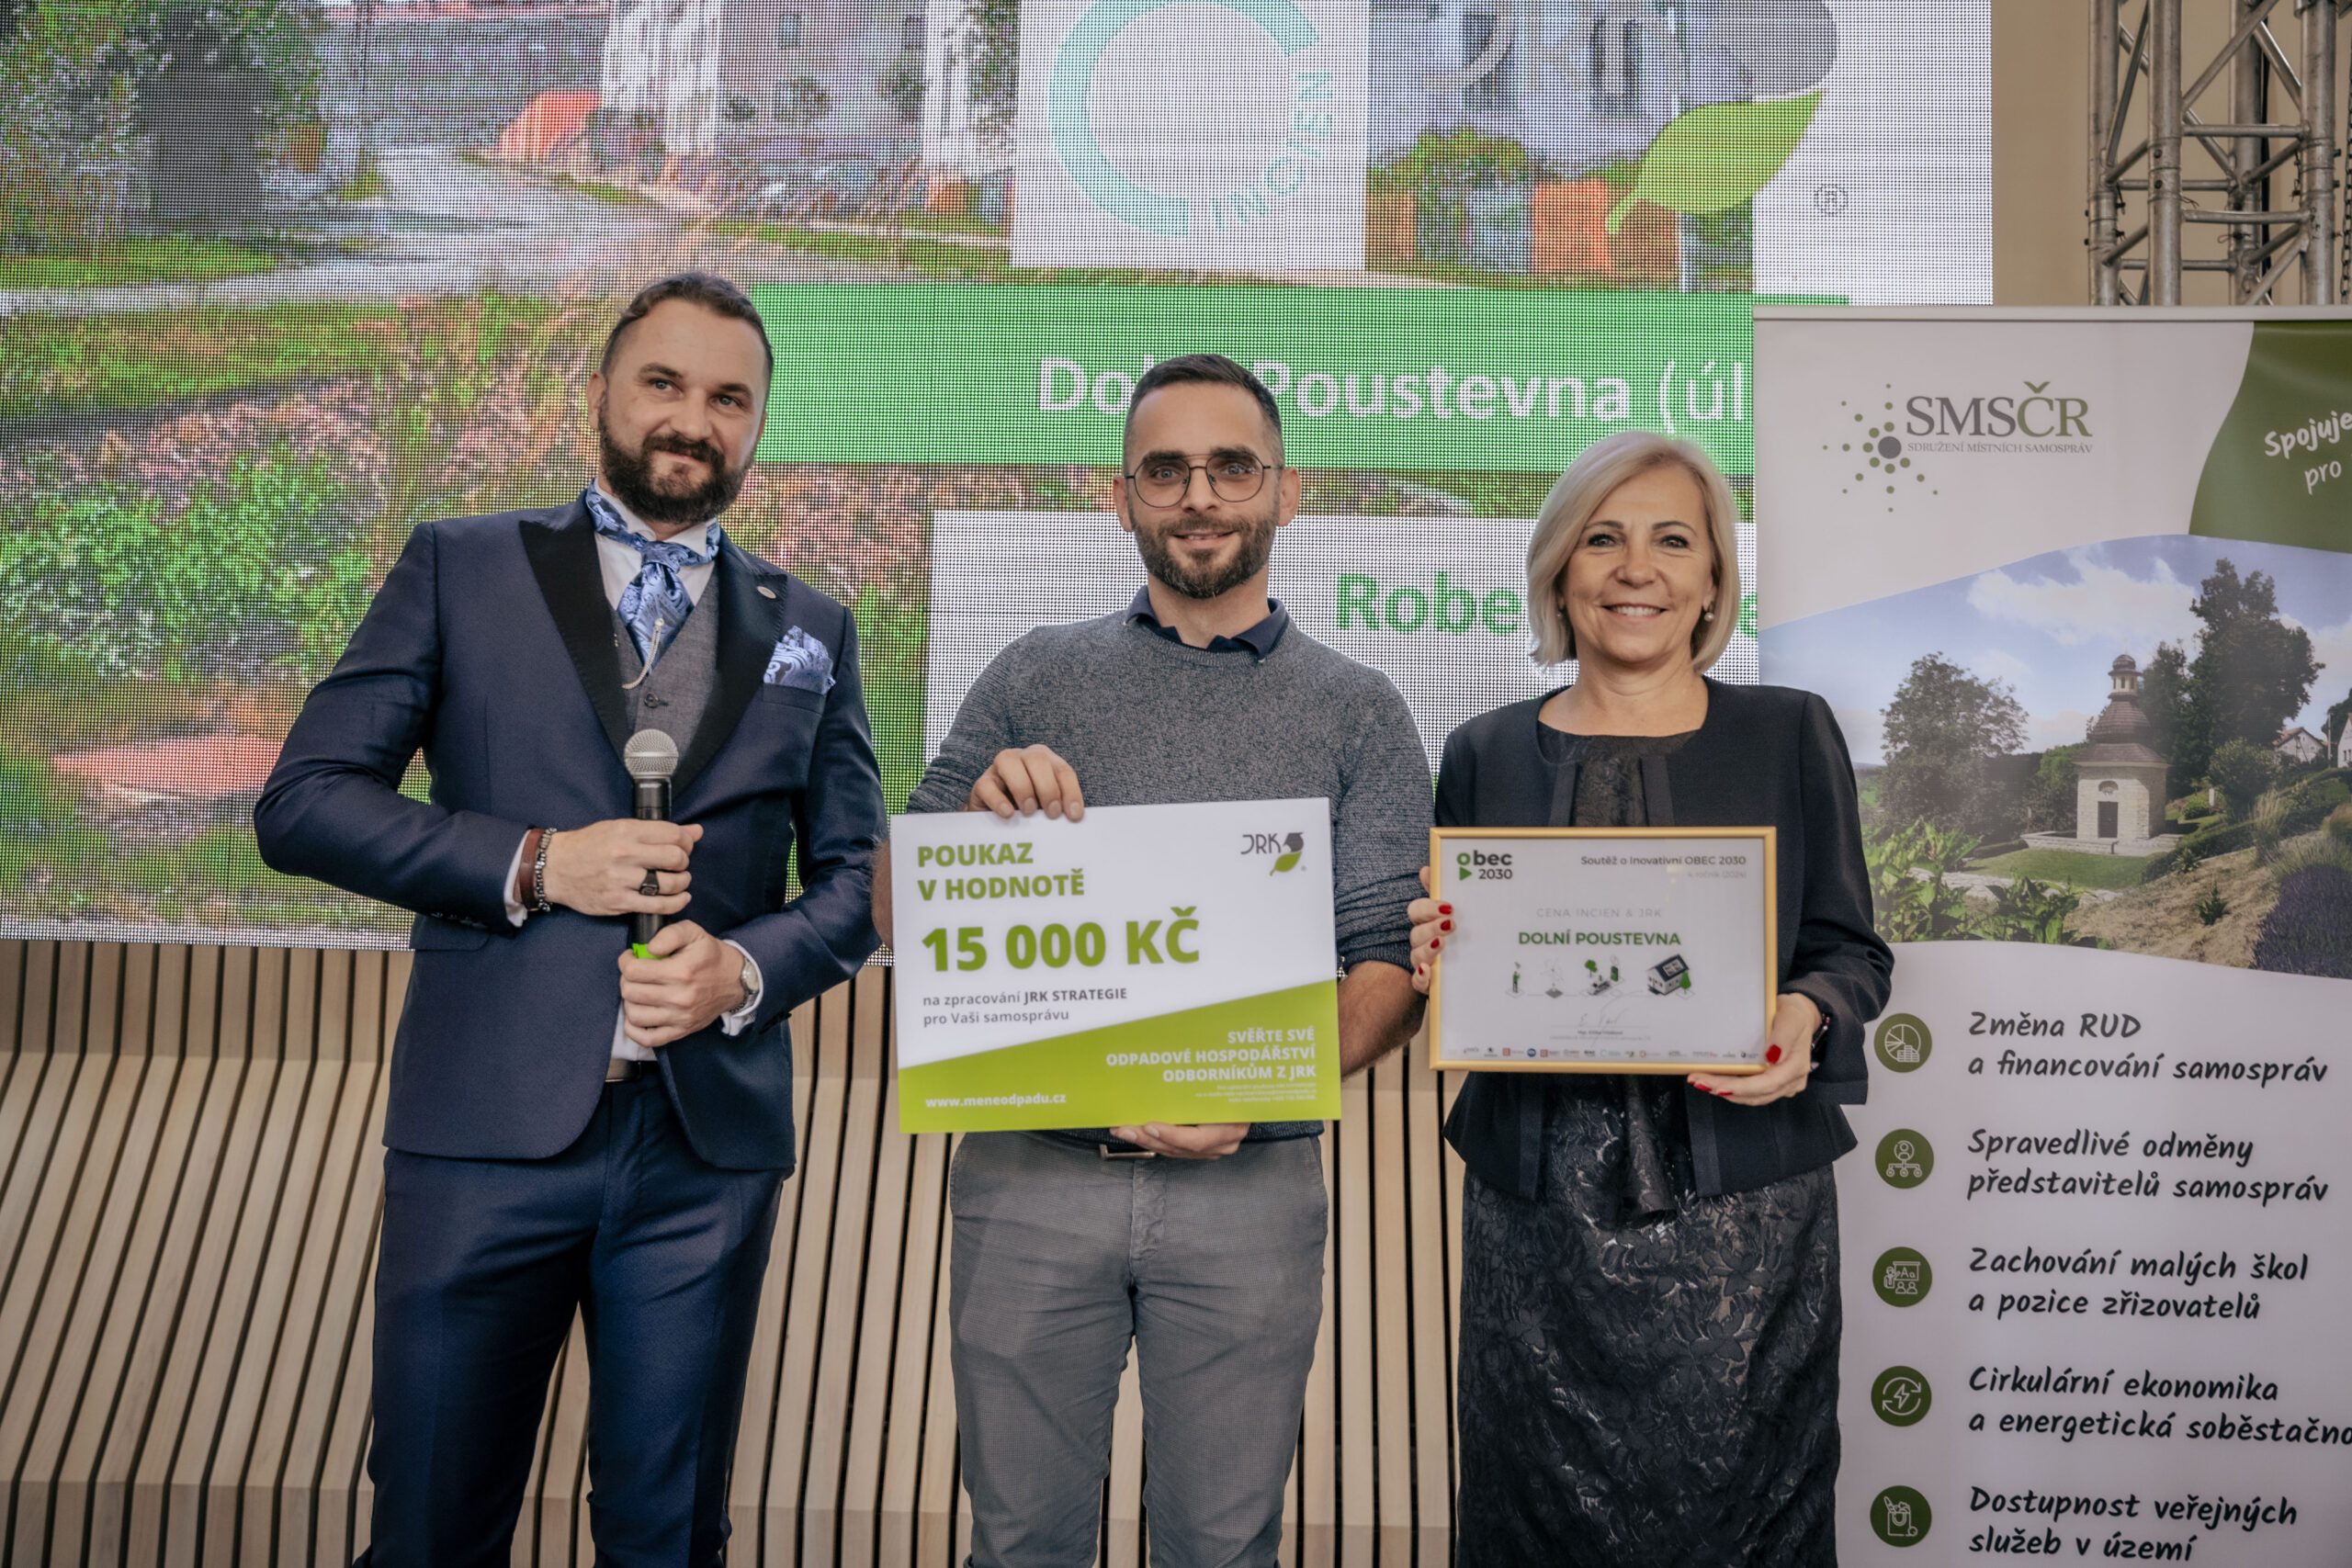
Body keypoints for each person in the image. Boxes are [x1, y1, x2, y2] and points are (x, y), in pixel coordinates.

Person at [254, 272, 885, 1564]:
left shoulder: (814, 626)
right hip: (481, 1135)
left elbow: (854, 881)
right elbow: (305, 803)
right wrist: (540, 863)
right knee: (432, 1525)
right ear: (600, 391)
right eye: (664, 382)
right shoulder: (460, 564)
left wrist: (742, 970)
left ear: (758, 426)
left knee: (670, 1535)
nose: (693, 419)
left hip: (704, 1158)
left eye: (729, 398)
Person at [873, 354, 1427, 1568]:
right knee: (1017, 1543)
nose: (1199, 496)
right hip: (1030, 1177)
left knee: (1222, 1546)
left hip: (1251, 1190)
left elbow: (1387, 964)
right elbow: (895, 911)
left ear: (1287, 492)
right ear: (1119, 495)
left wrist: (1260, 1084)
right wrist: (967, 820)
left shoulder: (1361, 708)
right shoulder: (1031, 672)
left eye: (1232, 467)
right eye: (1165, 470)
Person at [1408, 430, 1892, 1564]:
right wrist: (1431, 949)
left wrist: (1806, 1014)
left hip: (1744, 1212)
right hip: (1533, 1218)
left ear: (1714, 579)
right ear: (1558, 573)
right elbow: (1464, 952)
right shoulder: (1481, 752)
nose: (1637, 568)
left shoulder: (1788, 731)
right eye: (1602, 539)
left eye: (1673, 540)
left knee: (1742, 1517)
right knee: (1535, 1517)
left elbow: (1850, 951)